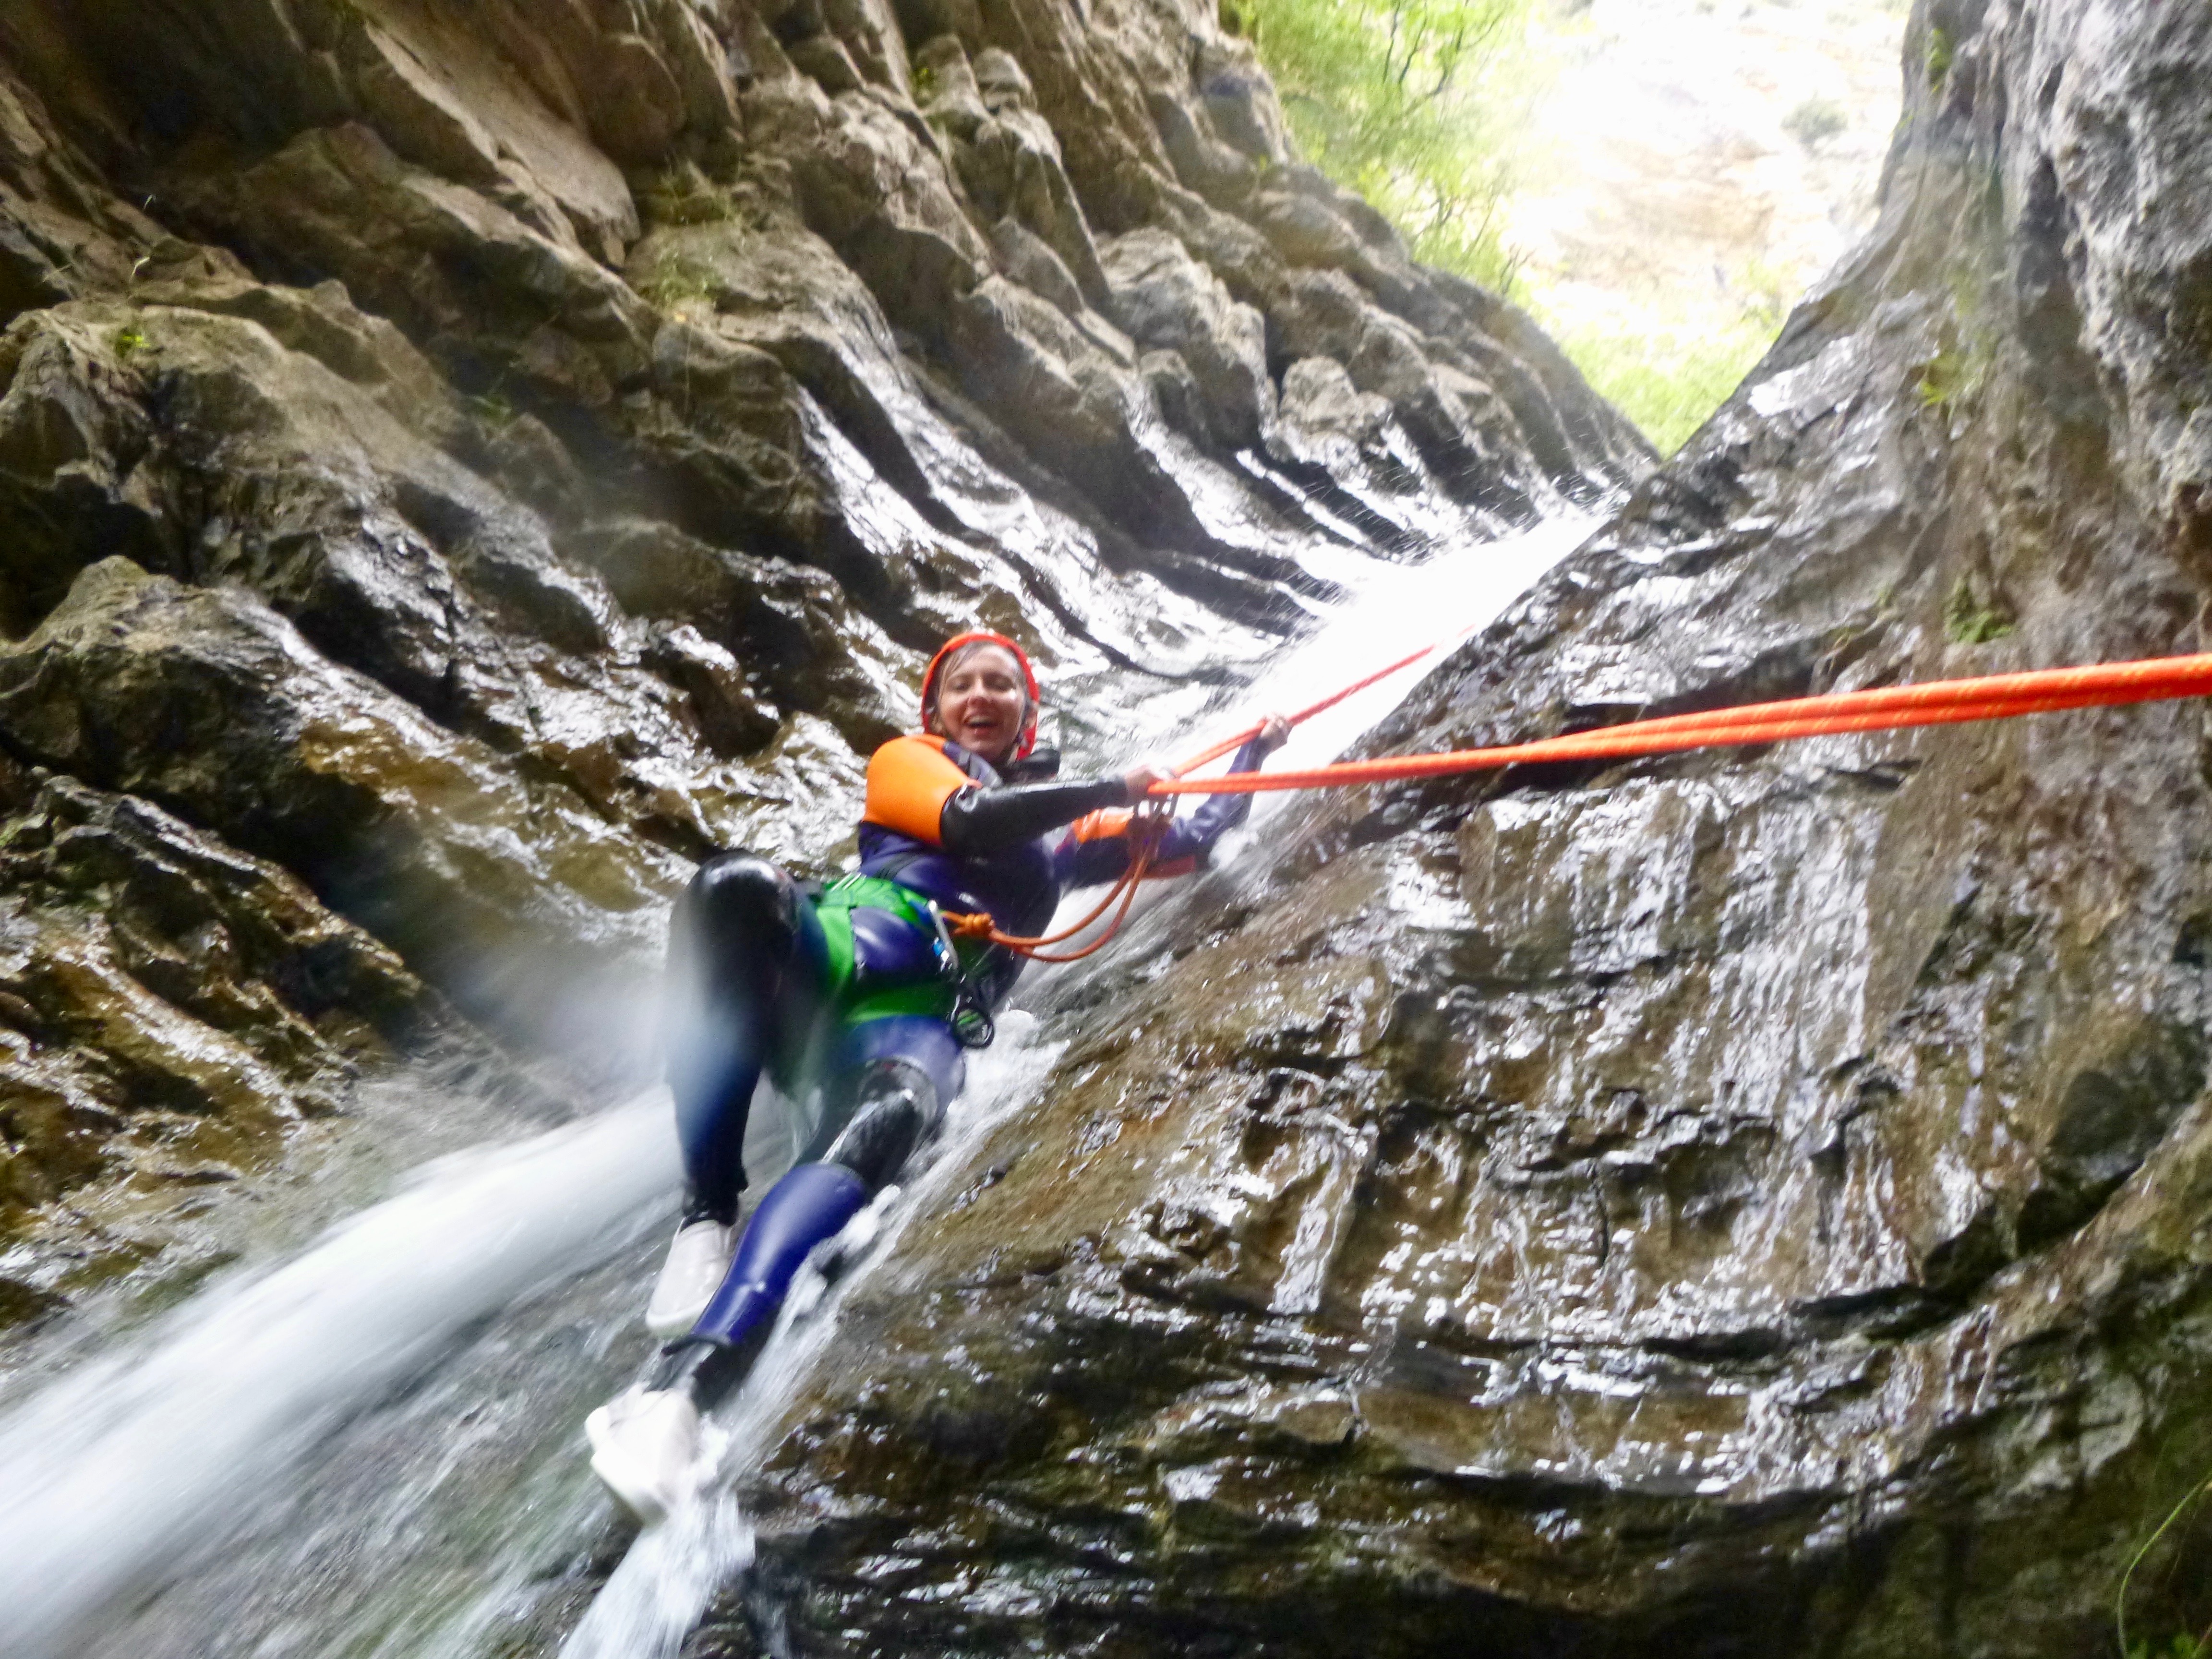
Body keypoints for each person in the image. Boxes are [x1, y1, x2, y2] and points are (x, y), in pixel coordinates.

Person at [586, 630, 1289, 1521]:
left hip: (918, 1024)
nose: (983, 696)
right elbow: (966, 822)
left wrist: (1259, 748)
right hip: (834, 956)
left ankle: (683, 1394)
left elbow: (1191, 834)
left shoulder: (1071, 834)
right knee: (732, 889)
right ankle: (709, 1206)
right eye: (964, 685)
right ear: (938, 711)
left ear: (1030, 718)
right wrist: (1114, 787)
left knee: (893, 1120)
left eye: (1004, 685)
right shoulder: (908, 761)